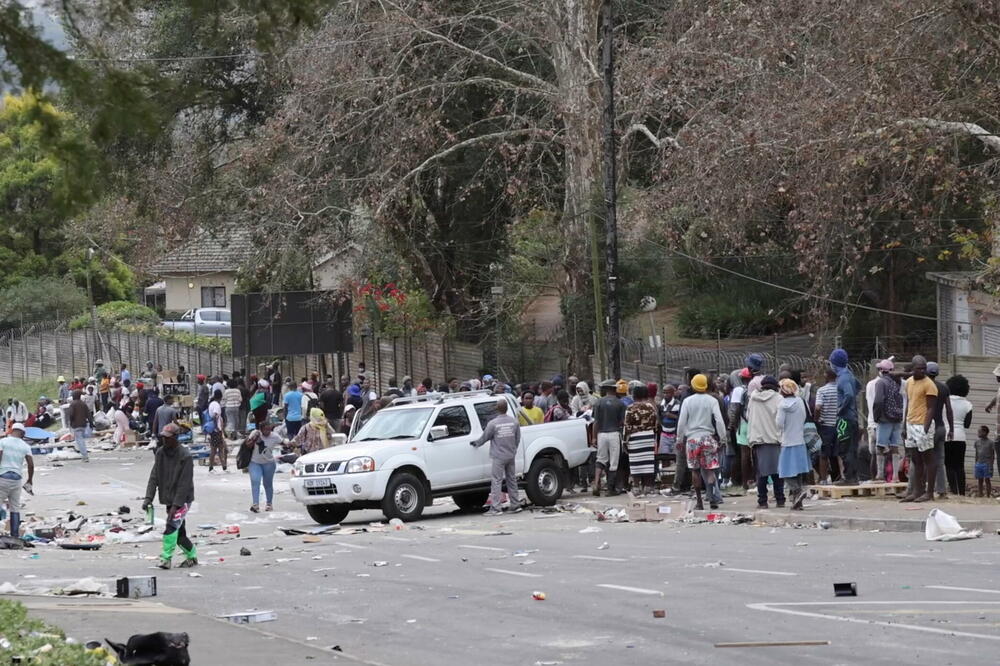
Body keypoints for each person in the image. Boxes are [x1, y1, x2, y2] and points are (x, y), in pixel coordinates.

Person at [143, 423, 197, 570]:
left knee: (171, 527)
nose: (165, 441)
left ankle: (166, 559)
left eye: (168, 438)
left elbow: (184, 484)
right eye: (163, 438)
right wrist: (148, 498)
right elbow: (154, 476)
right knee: (179, 534)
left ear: (176, 437)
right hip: (169, 498)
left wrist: (176, 506)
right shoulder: (160, 453)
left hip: (182, 500)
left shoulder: (185, 456)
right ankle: (192, 555)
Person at [676, 374, 726, 509]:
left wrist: (679, 439)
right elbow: (719, 421)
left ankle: (699, 502)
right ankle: (713, 499)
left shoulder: (687, 401)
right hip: (708, 438)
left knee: (695, 471)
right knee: (710, 471)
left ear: (692, 385)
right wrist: (723, 438)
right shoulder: (712, 400)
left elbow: (681, 423)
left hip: (692, 439)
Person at [471, 398, 522, 516]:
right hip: (510, 455)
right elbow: (517, 438)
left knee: (496, 481)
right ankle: (515, 505)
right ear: (507, 408)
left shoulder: (493, 423)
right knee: (512, 480)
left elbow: (485, 437)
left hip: (498, 456)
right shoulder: (514, 422)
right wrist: (513, 450)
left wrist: (476, 443)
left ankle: (496, 508)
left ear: (497, 409)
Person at [900, 356, 938, 503]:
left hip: (923, 424)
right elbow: (909, 404)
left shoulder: (929, 385)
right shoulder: (909, 383)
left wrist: (926, 428)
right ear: (913, 368)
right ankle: (917, 491)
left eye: (924, 368)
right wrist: (904, 425)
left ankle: (929, 493)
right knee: (915, 459)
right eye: (919, 368)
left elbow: (931, 408)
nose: (922, 371)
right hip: (911, 423)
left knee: (928, 458)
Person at [748, 375, 784, 509]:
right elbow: (781, 420)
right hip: (774, 439)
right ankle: (780, 499)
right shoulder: (778, 399)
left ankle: (762, 501)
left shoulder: (753, 398)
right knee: (777, 472)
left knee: (761, 473)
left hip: (758, 440)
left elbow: (748, 416)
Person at [777, 378, 811, 510]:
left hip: (787, 441)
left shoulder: (782, 405)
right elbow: (803, 417)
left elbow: (779, 424)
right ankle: (798, 502)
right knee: (798, 472)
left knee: (785, 471)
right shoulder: (800, 401)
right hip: (800, 440)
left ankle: (797, 491)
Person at [829, 349, 862, 486]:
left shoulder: (842, 378)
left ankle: (849, 477)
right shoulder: (849, 374)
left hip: (845, 419)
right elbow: (858, 387)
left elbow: (848, 394)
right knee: (852, 448)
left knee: (844, 448)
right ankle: (853, 476)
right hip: (852, 417)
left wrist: (841, 408)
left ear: (834, 363)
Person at [871, 359, 904, 483]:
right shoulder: (898, 382)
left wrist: (876, 416)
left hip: (885, 419)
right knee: (895, 446)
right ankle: (895, 476)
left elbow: (878, 401)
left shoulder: (881, 383)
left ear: (881, 370)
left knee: (880, 447)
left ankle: (880, 475)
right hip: (897, 418)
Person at [592, 379, 626, 496]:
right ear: (614, 389)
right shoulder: (620, 403)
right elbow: (622, 422)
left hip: (601, 434)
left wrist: (594, 437)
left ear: (606, 389)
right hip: (614, 433)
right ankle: (610, 489)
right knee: (613, 462)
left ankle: (596, 483)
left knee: (600, 459)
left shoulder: (598, 403)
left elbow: (595, 422)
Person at [624, 384, 659, 496]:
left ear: (634, 395)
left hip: (635, 438)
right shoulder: (651, 407)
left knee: (635, 463)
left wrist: (625, 441)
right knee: (648, 462)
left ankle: (636, 487)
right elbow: (656, 424)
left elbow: (627, 425)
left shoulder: (630, 408)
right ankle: (648, 487)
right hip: (648, 437)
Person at [0, 422, 33, 538]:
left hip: (3, 476)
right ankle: (15, 535)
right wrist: (30, 480)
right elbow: (30, 464)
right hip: (17, 479)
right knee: (15, 507)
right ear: (22, 433)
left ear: (12, 430)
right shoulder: (25, 446)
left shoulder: (3, 442)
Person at [926, 362, 954, 498]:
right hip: (941, 427)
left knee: (925, 460)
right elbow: (949, 410)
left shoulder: (925, 386)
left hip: (928, 427)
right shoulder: (944, 387)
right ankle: (942, 491)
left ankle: (927, 489)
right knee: (940, 461)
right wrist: (951, 429)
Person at [242, 418, 280, 513]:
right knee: (255, 482)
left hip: (269, 463)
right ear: (261, 429)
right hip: (255, 462)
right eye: (265, 429)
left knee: (268, 484)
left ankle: (269, 504)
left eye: (269, 429)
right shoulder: (255, 433)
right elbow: (247, 445)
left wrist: (291, 444)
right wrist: (254, 439)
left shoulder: (275, 436)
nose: (267, 431)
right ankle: (255, 504)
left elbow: (284, 442)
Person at [945, 375, 973, 496]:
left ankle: (953, 490)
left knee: (949, 465)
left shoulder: (944, 400)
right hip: (960, 437)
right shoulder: (968, 405)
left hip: (946, 436)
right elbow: (967, 425)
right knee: (959, 466)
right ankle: (961, 493)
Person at [728, 368, 755, 492]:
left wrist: (732, 424)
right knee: (755, 452)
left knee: (744, 454)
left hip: (743, 424)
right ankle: (755, 479)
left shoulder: (738, 390)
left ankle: (744, 483)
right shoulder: (755, 387)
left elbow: (735, 409)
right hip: (755, 422)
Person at [66, 390, 93, 462]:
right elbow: (89, 414)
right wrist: (91, 423)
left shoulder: (73, 404)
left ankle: (85, 456)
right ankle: (84, 455)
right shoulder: (83, 404)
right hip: (83, 424)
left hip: (76, 424)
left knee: (80, 441)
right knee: (81, 440)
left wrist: (71, 422)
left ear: (74, 396)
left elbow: (71, 414)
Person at [206, 389, 226, 472]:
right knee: (219, 448)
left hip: (213, 430)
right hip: (216, 430)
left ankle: (216, 466)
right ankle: (222, 465)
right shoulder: (217, 405)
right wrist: (217, 427)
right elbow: (215, 416)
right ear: (220, 397)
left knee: (214, 448)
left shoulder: (211, 404)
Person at [974, 425, 994, 497]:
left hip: (987, 464)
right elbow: (976, 453)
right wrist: (976, 463)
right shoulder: (977, 442)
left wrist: (991, 466)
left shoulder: (991, 443)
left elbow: (992, 455)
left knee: (987, 480)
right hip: (979, 463)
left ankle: (988, 496)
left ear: (985, 432)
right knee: (980, 480)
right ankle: (980, 494)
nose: (978, 433)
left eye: (980, 432)